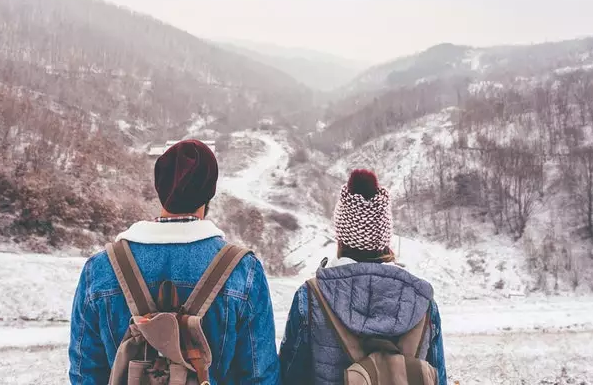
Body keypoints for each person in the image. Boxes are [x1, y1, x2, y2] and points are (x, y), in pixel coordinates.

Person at [69, 139, 280, 385]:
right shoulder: (243, 270)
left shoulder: (101, 268)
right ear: (209, 193)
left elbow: (85, 375)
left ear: (159, 189)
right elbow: (260, 376)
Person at [278, 169, 448, 385]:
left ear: (341, 236)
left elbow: (289, 377)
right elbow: (438, 379)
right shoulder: (423, 303)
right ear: (385, 238)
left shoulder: (310, 298)